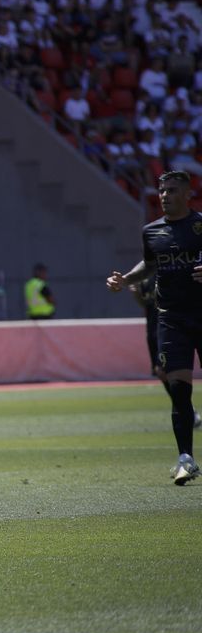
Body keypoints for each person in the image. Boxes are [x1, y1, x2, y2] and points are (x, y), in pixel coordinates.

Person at [107, 170, 202, 483]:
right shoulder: (151, 232)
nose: (165, 196)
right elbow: (149, 266)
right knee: (177, 389)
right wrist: (125, 280)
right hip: (171, 317)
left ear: (188, 194)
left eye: (172, 190)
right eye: (162, 191)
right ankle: (185, 458)